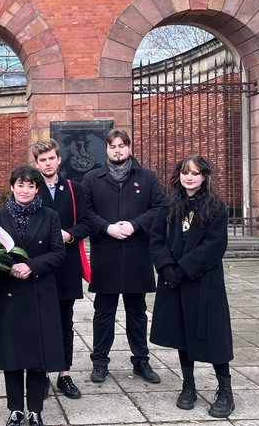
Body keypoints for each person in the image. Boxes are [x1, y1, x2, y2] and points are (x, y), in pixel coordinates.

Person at [149, 154, 234, 418]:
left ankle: (225, 390)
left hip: (203, 280)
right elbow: (156, 238)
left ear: (204, 177)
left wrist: (184, 269)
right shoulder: (169, 204)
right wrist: (167, 268)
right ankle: (188, 386)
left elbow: (214, 246)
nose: (189, 177)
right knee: (181, 333)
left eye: (195, 173)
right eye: (185, 172)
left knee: (214, 335)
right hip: (173, 280)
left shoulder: (216, 207)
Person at [81, 129, 164, 385]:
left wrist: (135, 225)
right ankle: (100, 362)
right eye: (112, 146)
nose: (117, 150)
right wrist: (106, 227)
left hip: (137, 254)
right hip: (106, 254)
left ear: (129, 148)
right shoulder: (91, 179)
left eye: (121, 146)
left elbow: (159, 207)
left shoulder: (147, 177)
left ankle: (141, 360)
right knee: (103, 312)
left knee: (137, 312)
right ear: (106, 149)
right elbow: (86, 211)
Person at [0, 165, 67, 426]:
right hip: (8, 292)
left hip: (39, 291)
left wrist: (31, 266)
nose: (25, 190)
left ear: (37, 189)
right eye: (20, 185)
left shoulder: (50, 216)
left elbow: (58, 252)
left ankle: (35, 410)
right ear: (12, 187)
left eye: (30, 186)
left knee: (37, 354)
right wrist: (10, 267)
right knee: (11, 354)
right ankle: (15, 409)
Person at [31, 139, 93, 399]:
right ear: (36, 164)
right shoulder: (30, 188)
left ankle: (64, 373)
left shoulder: (74, 188)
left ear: (59, 160)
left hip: (67, 265)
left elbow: (87, 222)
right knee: (40, 323)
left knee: (65, 322)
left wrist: (70, 234)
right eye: (42, 160)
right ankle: (41, 374)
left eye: (51, 158)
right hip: (41, 266)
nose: (47, 163)